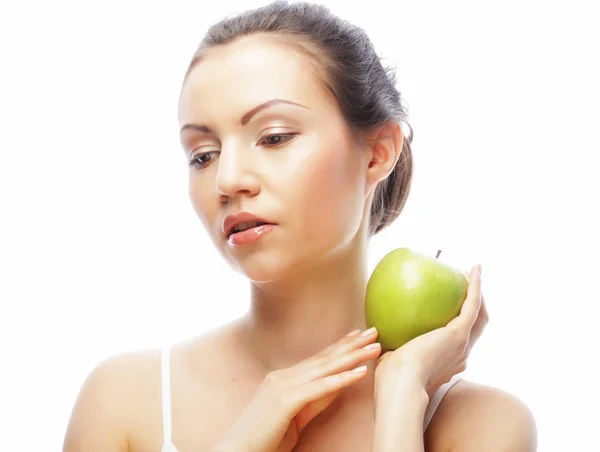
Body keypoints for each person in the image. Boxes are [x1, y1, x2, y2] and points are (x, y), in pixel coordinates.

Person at [62, 1, 537, 451]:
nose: (227, 180)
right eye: (203, 155)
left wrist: (400, 404)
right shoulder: (123, 402)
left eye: (273, 137)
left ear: (378, 153)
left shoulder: (482, 424)